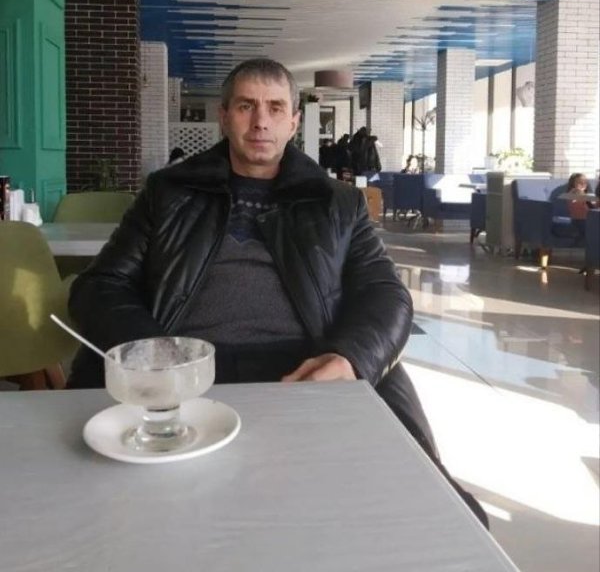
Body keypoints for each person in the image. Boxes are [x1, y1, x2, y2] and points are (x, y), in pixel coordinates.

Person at [67, 58, 487, 527]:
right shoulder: (168, 193)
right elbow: (100, 285)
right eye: (246, 106)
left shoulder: (338, 202)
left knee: (437, 518)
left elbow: (386, 294)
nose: (260, 121)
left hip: (304, 367)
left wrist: (350, 359)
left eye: (275, 107)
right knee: (129, 520)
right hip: (187, 371)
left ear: (294, 121)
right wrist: (155, 351)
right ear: (224, 116)